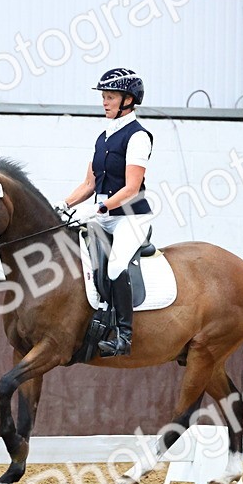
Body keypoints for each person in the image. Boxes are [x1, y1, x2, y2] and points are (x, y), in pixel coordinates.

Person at [61, 68, 153, 358]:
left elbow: (131, 188)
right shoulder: (102, 137)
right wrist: (65, 205)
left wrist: (100, 207)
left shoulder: (138, 137)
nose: (105, 102)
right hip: (103, 215)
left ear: (128, 100)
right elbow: (89, 184)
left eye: (110, 96)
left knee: (115, 267)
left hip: (131, 216)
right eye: (103, 96)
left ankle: (124, 335)